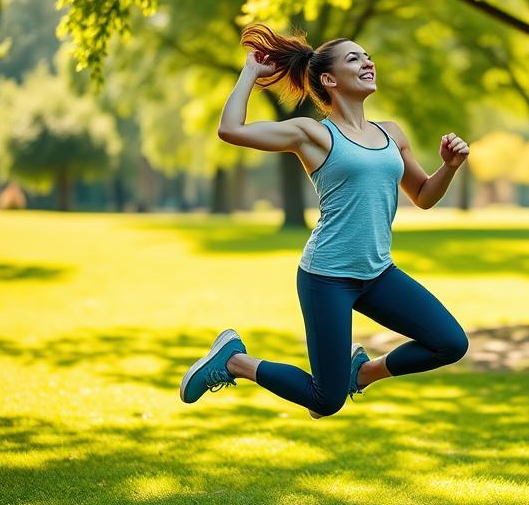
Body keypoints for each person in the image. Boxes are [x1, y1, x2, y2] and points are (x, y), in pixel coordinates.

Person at [179, 23, 471, 419]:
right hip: (327, 276)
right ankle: (235, 361)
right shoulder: (313, 134)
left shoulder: (392, 133)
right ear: (330, 79)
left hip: (377, 273)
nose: (367, 61)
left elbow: (422, 196)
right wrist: (250, 72)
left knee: (450, 342)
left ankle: (364, 372)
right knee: (325, 400)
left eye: (367, 55)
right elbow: (231, 130)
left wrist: (449, 167)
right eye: (354, 58)